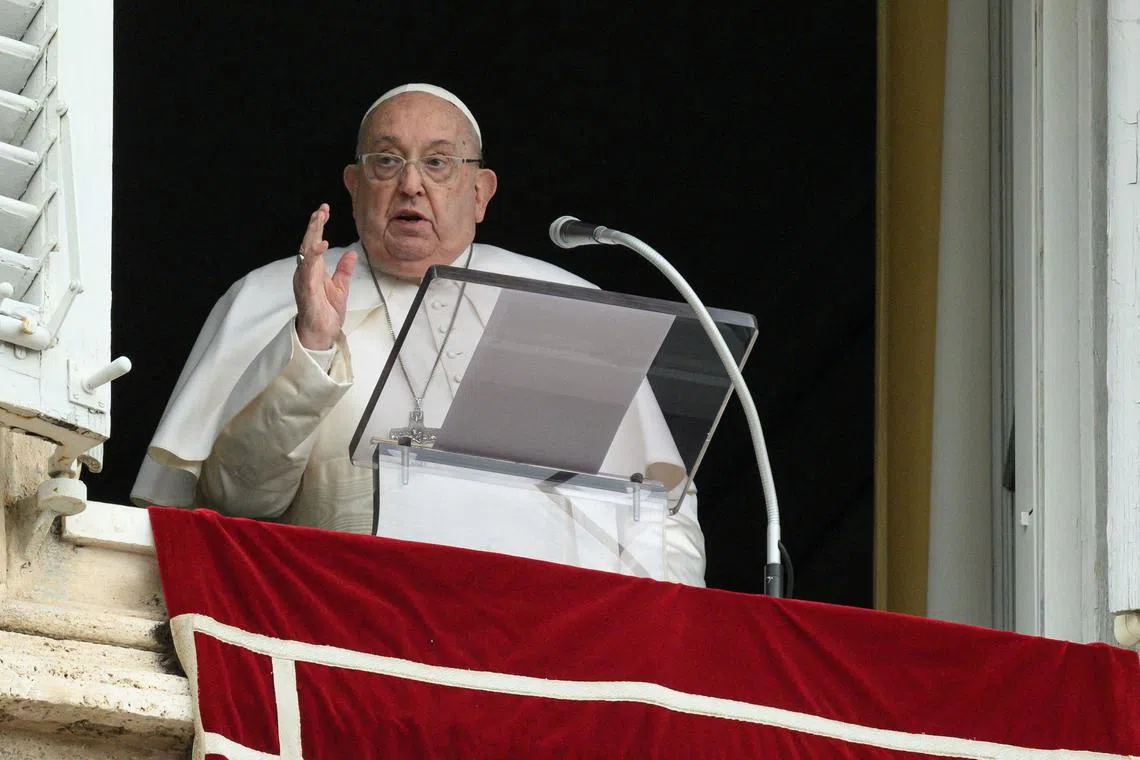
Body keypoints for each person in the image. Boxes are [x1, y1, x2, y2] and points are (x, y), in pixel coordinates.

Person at [131, 83, 705, 585]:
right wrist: (311, 348)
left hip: (540, 640)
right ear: (354, 186)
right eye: (386, 161)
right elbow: (230, 509)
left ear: (479, 192)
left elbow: (661, 514)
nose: (410, 184)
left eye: (438, 163)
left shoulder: (567, 304)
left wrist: (664, 638)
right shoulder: (271, 295)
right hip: (345, 630)